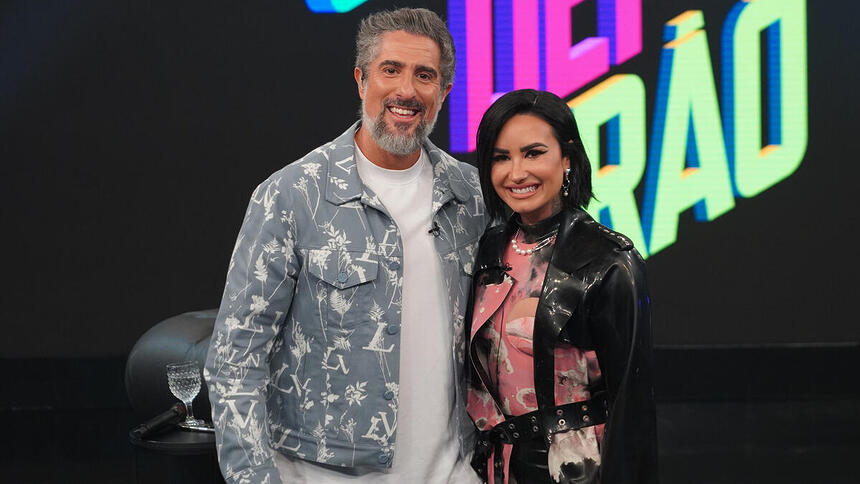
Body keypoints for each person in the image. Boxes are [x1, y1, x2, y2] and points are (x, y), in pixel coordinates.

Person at [204, 8, 487, 484]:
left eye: (425, 75)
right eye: (390, 69)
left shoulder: (473, 195)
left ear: (444, 93)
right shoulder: (292, 196)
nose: (407, 91)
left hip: (452, 472)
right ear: (361, 80)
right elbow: (235, 358)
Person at [465, 89, 657, 484]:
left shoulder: (610, 261)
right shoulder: (484, 249)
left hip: (577, 471)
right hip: (490, 470)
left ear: (567, 157)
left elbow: (632, 411)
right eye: (501, 158)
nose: (516, 173)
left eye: (533, 153)